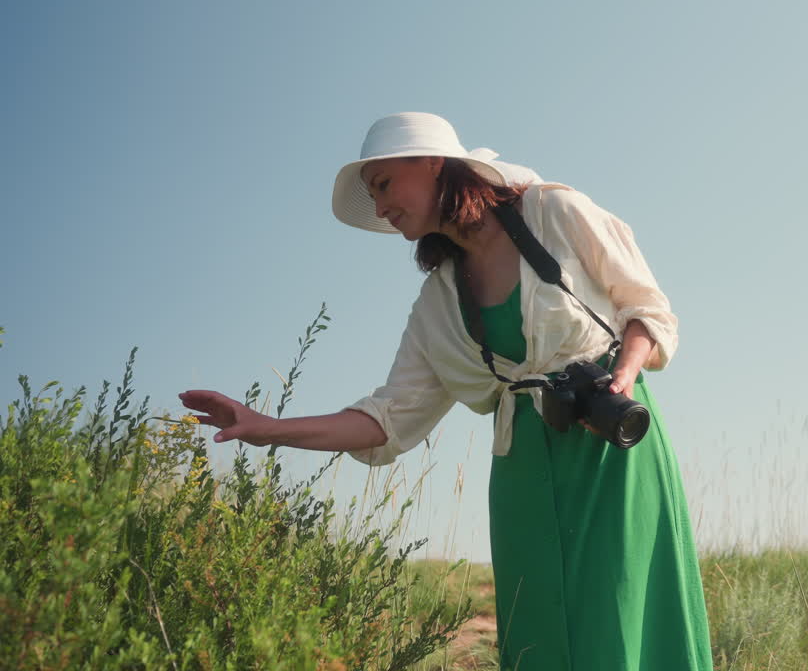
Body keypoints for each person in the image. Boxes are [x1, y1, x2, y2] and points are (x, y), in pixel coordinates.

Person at [179, 112, 714, 670]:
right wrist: (266, 429)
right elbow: (387, 420)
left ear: (434, 161)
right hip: (523, 470)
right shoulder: (438, 302)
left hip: (611, 449)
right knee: (541, 636)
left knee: (618, 615)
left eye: (383, 184)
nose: (381, 207)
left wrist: (622, 376)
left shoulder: (554, 212)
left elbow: (648, 312)